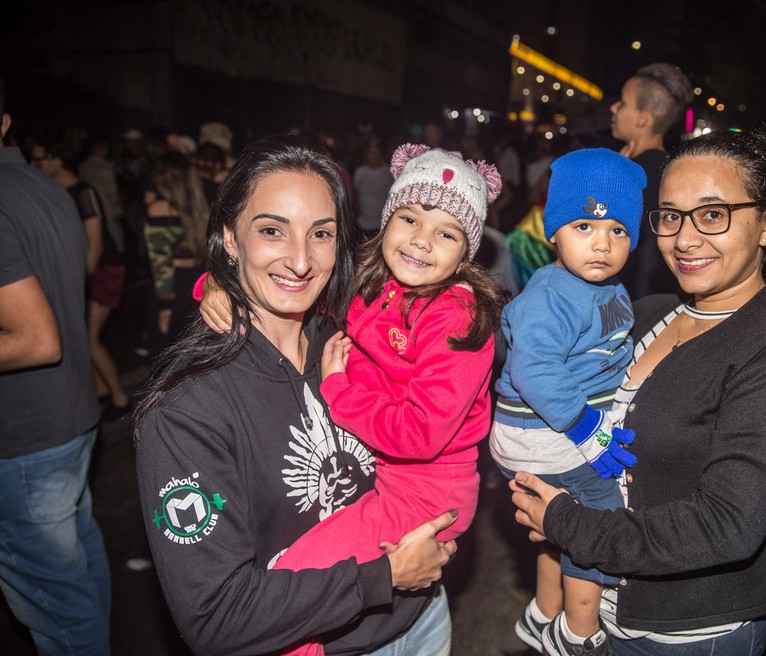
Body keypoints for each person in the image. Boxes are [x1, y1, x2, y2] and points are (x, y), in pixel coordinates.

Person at [510, 128, 766, 656]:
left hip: (682, 634)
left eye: (713, 214)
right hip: (602, 612)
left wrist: (567, 523)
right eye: (669, 215)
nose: (684, 239)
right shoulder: (644, 312)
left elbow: (726, 526)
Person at [134, 134, 458, 656]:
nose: (302, 261)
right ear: (230, 238)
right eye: (271, 231)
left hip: (423, 618)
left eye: (321, 234)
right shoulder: (187, 408)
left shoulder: (352, 341)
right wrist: (385, 576)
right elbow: (215, 618)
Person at [198, 142, 506, 656]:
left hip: (427, 495)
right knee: (304, 587)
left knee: (292, 578)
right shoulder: (376, 283)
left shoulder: (456, 317)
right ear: (386, 220)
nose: (422, 242)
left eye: (447, 233)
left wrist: (337, 389)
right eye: (409, 218)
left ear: (467, 251)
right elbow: (290, 282)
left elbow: (420, 432)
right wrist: (216, 286)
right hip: (392, 480)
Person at [491, 148, 646, 656]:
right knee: (596, 520)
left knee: (555, 530)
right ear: (552, 231)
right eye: (584, 226)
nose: (602, 243)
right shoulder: (552, 295)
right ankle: (580, 634)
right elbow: (533, 371)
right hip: (541, 427)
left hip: (557, 420)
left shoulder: (607, 288)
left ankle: (544, 614)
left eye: (618, 231)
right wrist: (588, 429)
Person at [0, 77, 112, 655]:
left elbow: (35, 338)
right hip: (69, 419)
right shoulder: (44, 188)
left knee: (56, 603)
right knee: (78, 570)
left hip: (23, 437)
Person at [32, 138, 131, 416]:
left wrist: (76, 283)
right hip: (86, 272)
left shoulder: (82, 192)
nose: (35, 165)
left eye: (40, 159)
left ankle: (121, 398)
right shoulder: (53, 191)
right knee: (83, 335)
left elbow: (96, 245)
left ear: (58, 160)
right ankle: (101, 393)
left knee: (89, 337)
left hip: (104, 269)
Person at [610, 63, 693, 299]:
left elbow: (645, 259)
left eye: (623, 102)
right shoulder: (671, 168)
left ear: (642, 119)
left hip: (627, 306)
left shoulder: (636, 174)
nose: (613, 107)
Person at [143, 150, 210, 356]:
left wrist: (164, 305)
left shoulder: (159, 208)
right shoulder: (199, 206)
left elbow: (160, 261)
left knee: (166, 356)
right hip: (199, 282)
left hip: (174, 286)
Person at [352, 141, 393, 237]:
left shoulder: (388, 172)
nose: (374, 156)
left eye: (376, 153)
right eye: (371, 153)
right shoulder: (360, 172)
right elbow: (355, 195)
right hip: (362, 223)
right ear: (367, 155)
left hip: (381, 224)